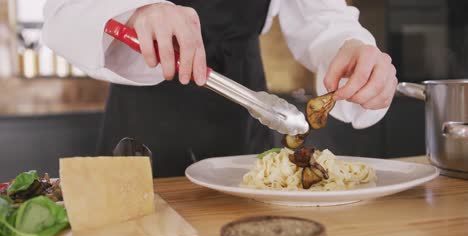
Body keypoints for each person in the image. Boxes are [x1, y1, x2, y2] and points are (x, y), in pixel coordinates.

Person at [42, 0, 397, 176]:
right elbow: (62, 11)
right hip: (143, 128)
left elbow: (321, 18)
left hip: (248, 114)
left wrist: (350, 47)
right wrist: (136, 11)